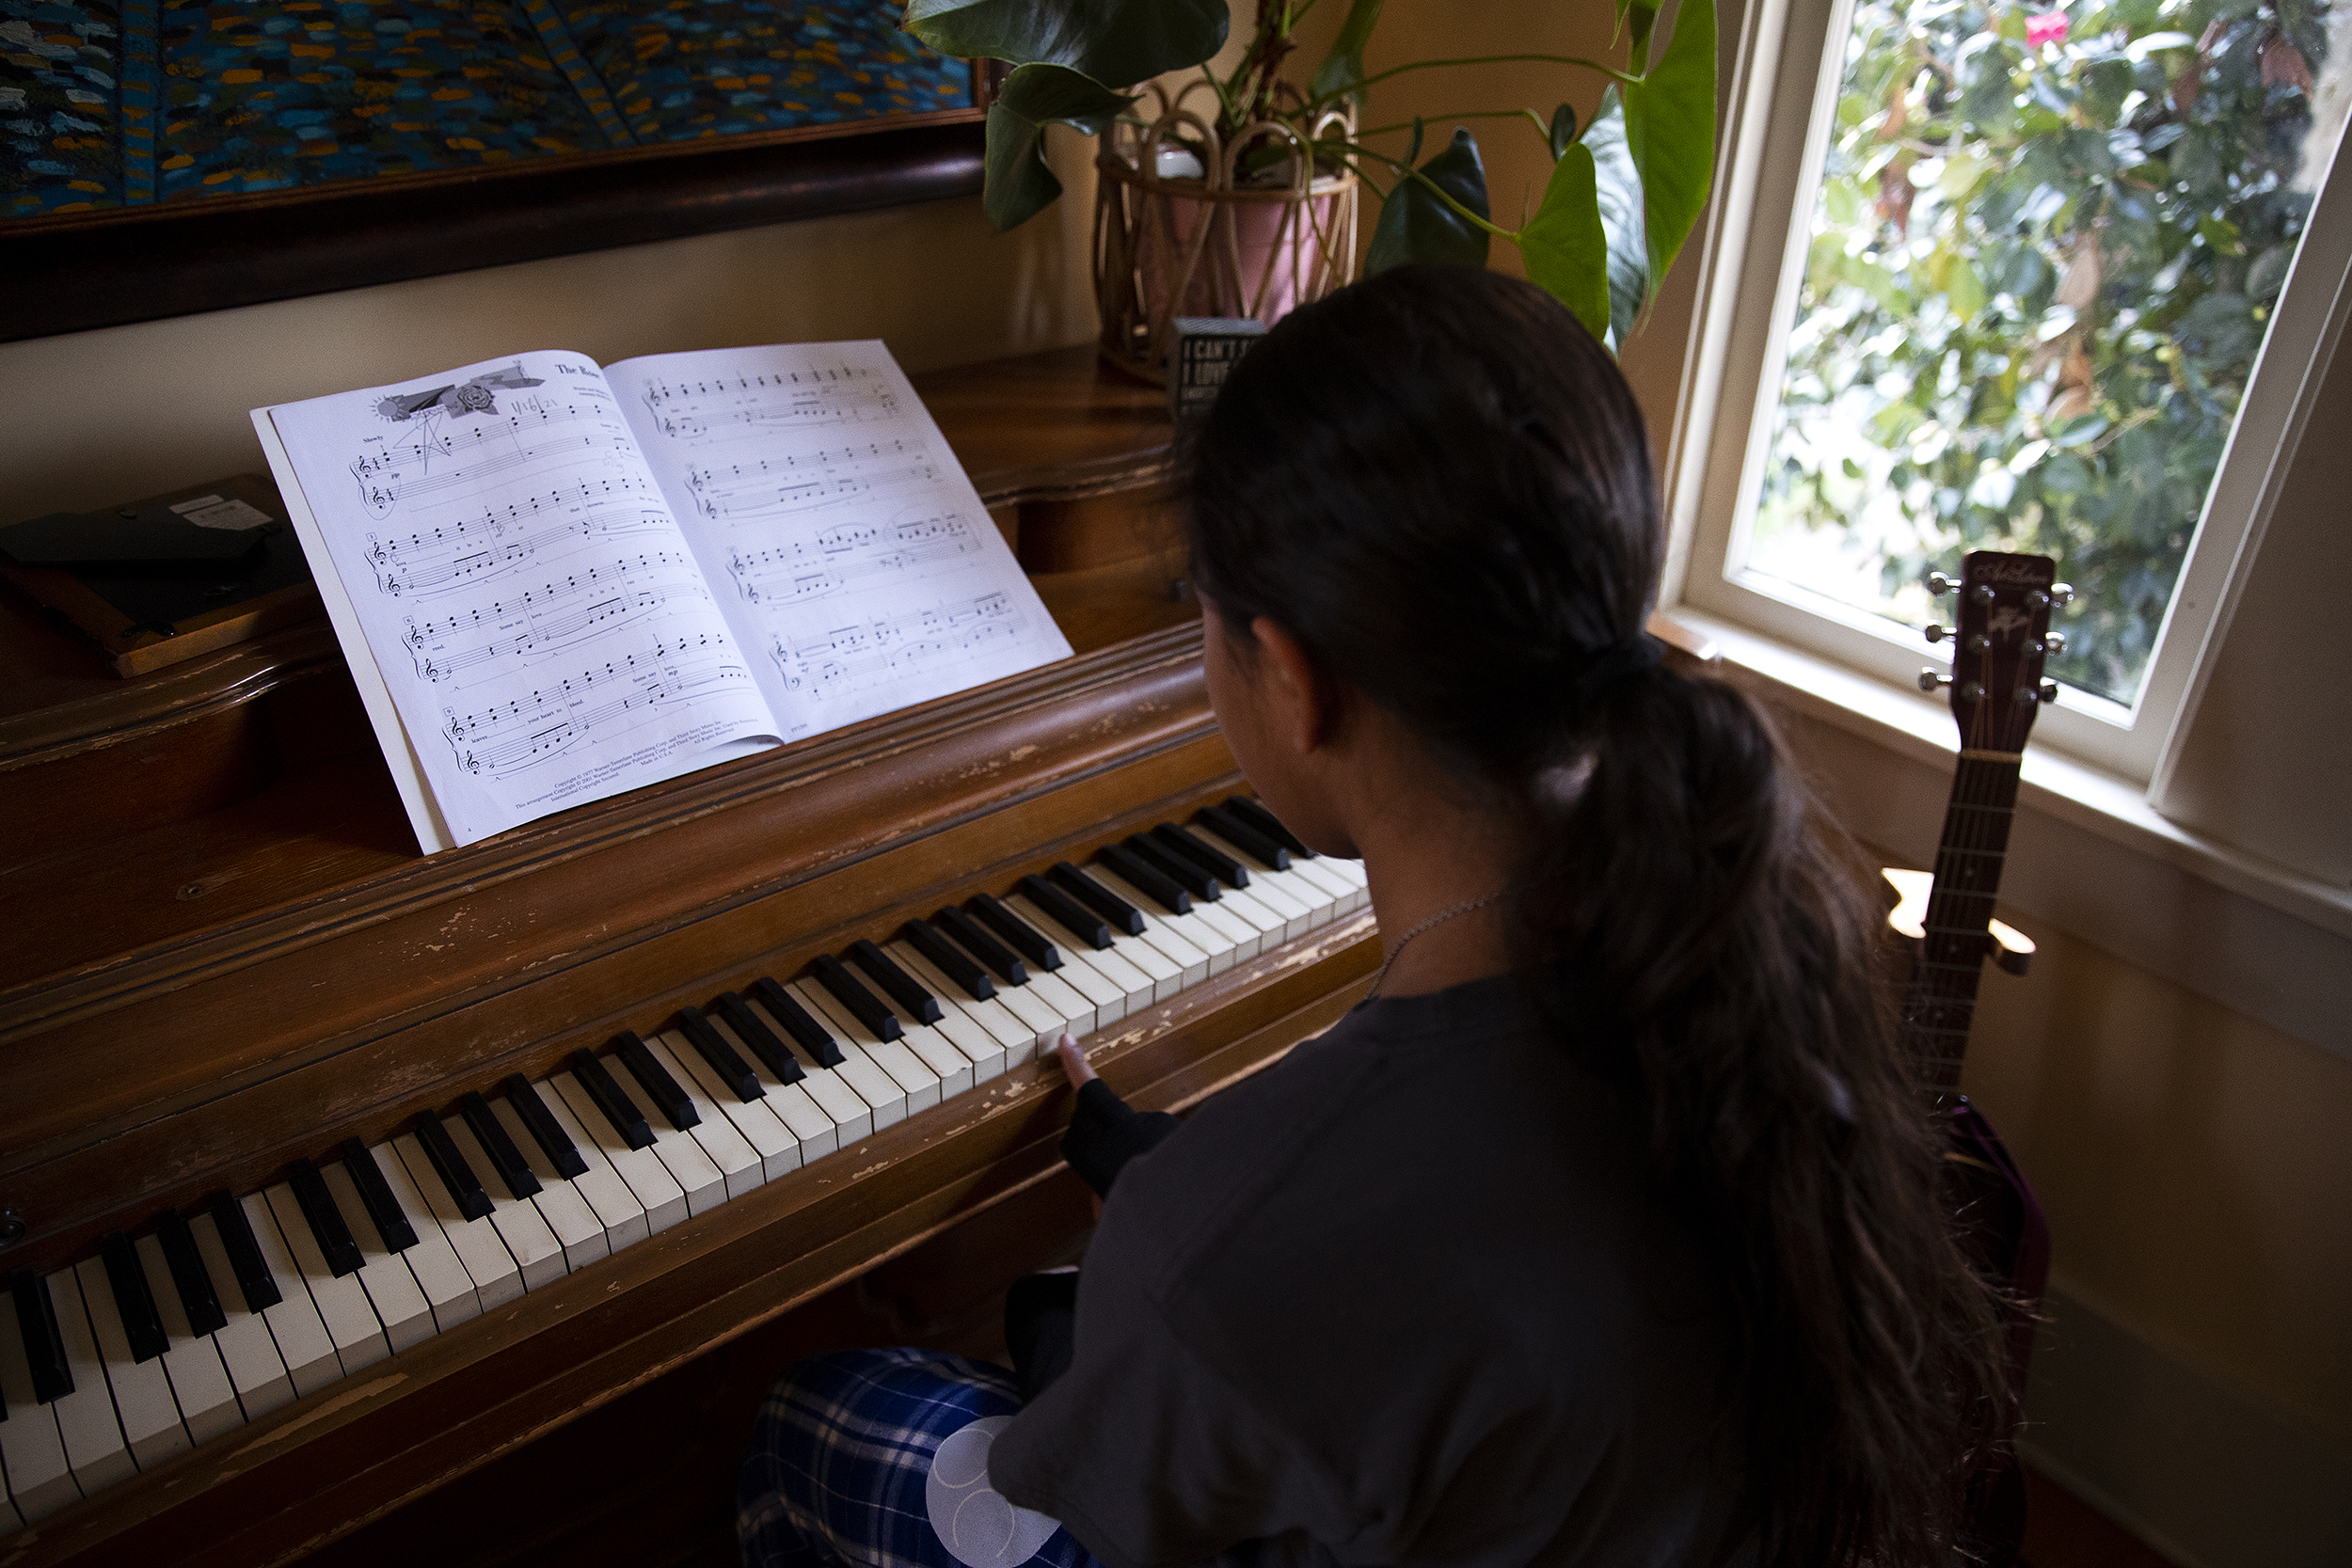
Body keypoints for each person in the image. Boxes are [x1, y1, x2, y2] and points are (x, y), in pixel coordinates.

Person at [739, 265, 2005, 1568]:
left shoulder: (1222, 1243)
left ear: (1291, 677)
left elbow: (1119, 1481)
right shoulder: (1759, 976)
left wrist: (1174, 1258)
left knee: (825, 1415)